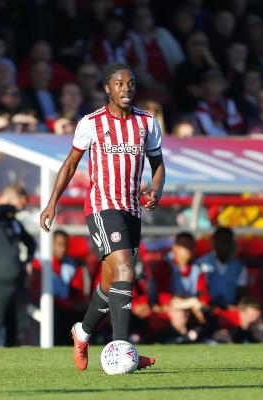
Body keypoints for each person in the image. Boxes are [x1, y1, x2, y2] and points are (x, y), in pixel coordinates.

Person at [39, 63, 165, 371]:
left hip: (131, 210)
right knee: (125, 270)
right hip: (101, 206)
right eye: (119, 83)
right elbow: (70, 165)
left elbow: (158, 164)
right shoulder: (91, 123)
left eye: (131, 83)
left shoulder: (147, 122)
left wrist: (157, 191)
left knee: (111, 283)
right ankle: (125, 352)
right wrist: (52, 203)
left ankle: (81, 332)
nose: (126, 87)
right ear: (107, 89)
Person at [0, 184, 36, 347]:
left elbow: (31, 243)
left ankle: (12, 367)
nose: (19, 211)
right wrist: (8, 204)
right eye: (19, 206)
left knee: (17, 330)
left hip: (17, 281)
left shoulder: (14, 223)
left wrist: (28, 261)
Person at [198, 227, 248, 308]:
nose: (224, 246)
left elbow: (241, 292)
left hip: (231, 309)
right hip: (208, 309)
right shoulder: (203, 262)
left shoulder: (239, 266)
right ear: (214, 243)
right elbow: (201, 291)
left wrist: (237, 307)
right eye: (221, 242)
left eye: (227, 242)